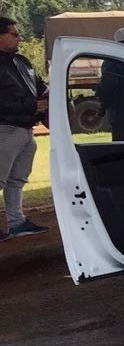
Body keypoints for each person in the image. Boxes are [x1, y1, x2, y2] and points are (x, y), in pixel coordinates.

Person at [0, 18, 50, 240]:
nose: (19, 37)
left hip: (26, 128)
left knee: (18, 179)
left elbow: (41, 87)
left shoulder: (23, 62)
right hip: (5, 129)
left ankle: (17, 222)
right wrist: (32, 105)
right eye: (14, 33)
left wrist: (50, 100)